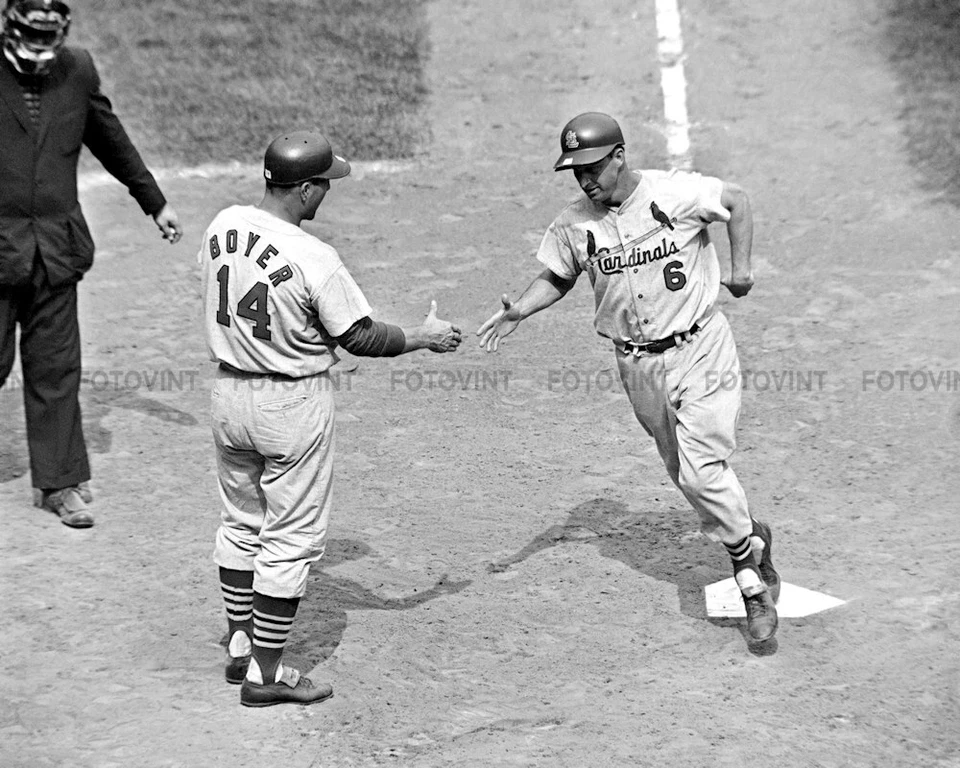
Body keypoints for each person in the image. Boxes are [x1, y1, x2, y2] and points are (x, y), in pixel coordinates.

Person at [477, 112, 780, 645]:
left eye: (592, 167)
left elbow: (736, 200)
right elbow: (559, 275)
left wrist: (741, 270)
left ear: (619, 155)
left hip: (701, 348)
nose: (585, 179)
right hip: (637, 365)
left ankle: (748, 577)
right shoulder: (574, 223)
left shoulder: (673, 194)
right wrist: (521, 309)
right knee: (682, 471)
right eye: (576, 171)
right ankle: (751, 533)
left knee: (701, 469)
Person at [199, 129, 462, 707]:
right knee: (288, 541)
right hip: (290, 407)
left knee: (241, 524)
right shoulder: (315, 256)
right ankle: (265, 675)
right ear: (305, 189)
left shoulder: (222, 225)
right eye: (324, 184)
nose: (327, 193)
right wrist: (424, 337)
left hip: (228, 397)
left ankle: (239, 645)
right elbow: (359, 336)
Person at [0, 0, 183, 529]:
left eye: (49, 38)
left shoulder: (76, 69)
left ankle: (60, 483)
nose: (41, 49)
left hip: (55, 251)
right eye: (32, 36)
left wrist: (154, 201)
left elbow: (109, 136)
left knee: (56, 370)